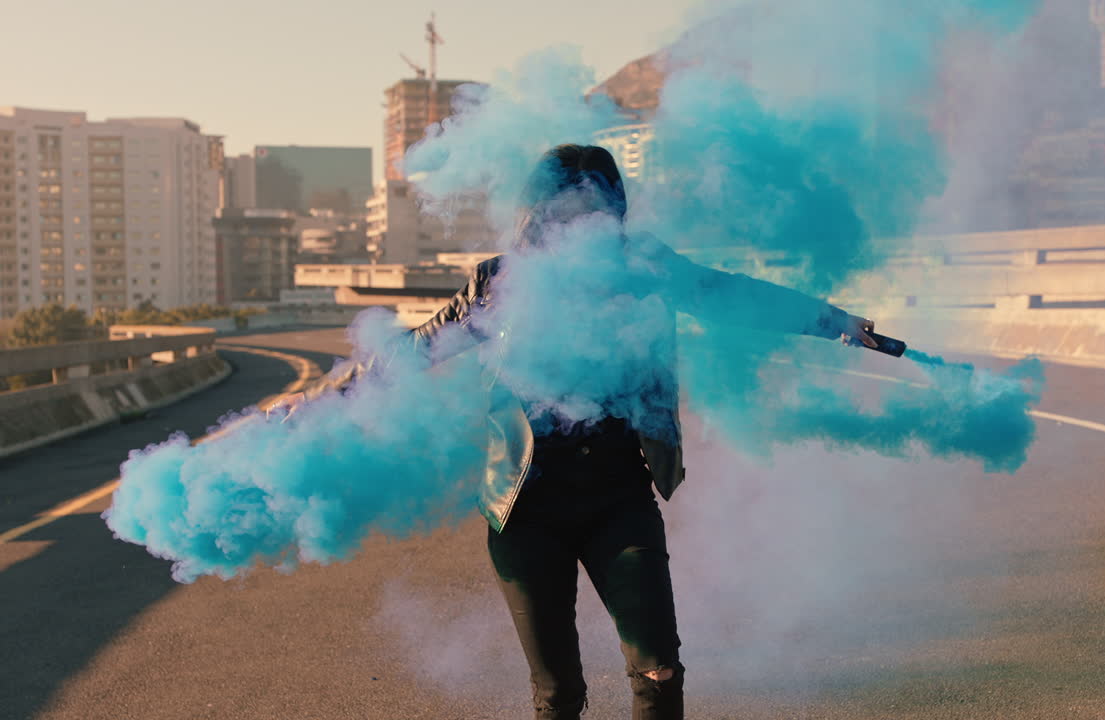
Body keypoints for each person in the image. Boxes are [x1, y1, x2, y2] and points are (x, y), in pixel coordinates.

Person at [280, 144, 877, 720]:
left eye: (598, 206)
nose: (583, 221)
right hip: (525, 506)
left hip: (620, 497)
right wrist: (320, 398)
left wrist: (835, 321)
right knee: (559, 694)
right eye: (567, 207)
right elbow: (412, 352)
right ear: (539, 211)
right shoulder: (499, 283)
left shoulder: (647, 268)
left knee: (659, 669)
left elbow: (734, 295)